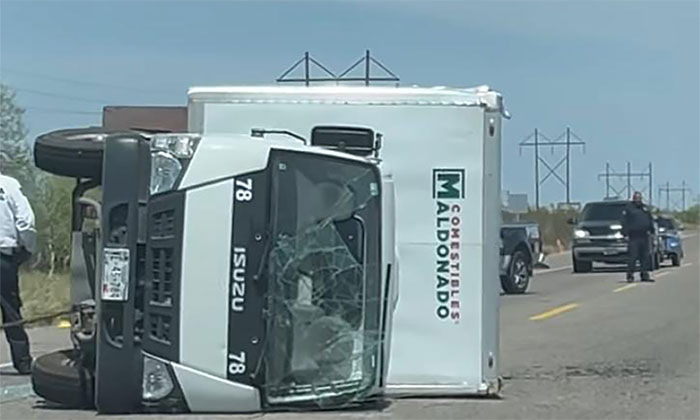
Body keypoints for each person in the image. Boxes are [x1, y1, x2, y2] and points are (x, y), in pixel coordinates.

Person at [0, 170, 36, 374]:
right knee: (11, 310)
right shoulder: (9, 185)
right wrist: (27, 248)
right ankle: (22, 362)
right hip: (3, 255)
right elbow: (26, 220)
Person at [622, 191, 654, 283]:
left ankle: (644, 275)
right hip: (633, 236)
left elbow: (650, 219)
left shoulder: (645, 208)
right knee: (633, 256)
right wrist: (625, 234)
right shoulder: (629, 208)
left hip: (644, 236)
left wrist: (652, 231)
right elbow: (624, 222)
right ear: (633, 198)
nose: (638, 199)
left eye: (639, 198)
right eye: (636, 198)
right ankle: (630, 276)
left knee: (644, 256)